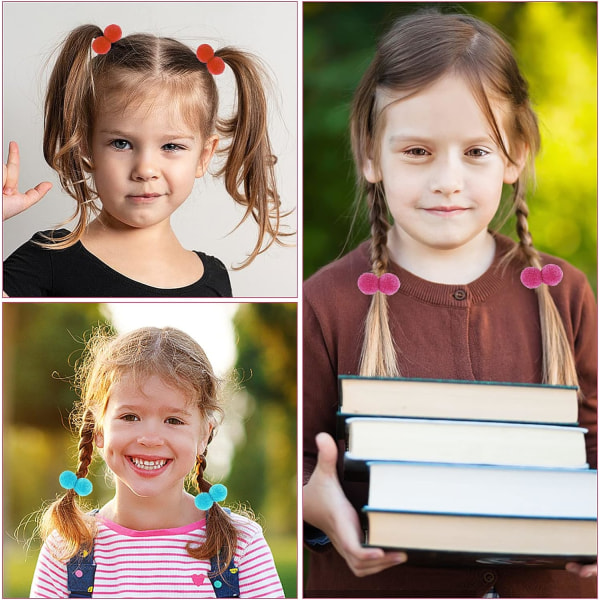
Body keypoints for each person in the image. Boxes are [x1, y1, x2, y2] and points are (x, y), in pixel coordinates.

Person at [303, 10, 597, 598]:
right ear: (370, 155)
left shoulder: (564, 295)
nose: (448, 180)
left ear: (514, 155)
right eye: (417, 151)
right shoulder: (325, 302)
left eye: (476, 152)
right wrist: (315, 504)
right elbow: (304, 464)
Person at [3, 23, 288, 297]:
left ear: (204, 156)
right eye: (121, 143)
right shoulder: (46, 258)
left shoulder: (214, 279)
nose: (145, 170)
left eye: (171, 146)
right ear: (85, 146)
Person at [30, 326, 284, 598]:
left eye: (173, 420)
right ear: (99, 430)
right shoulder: (65, 551)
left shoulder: (241, 546)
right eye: (130, 417)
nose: (150, 439)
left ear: (203, 435)